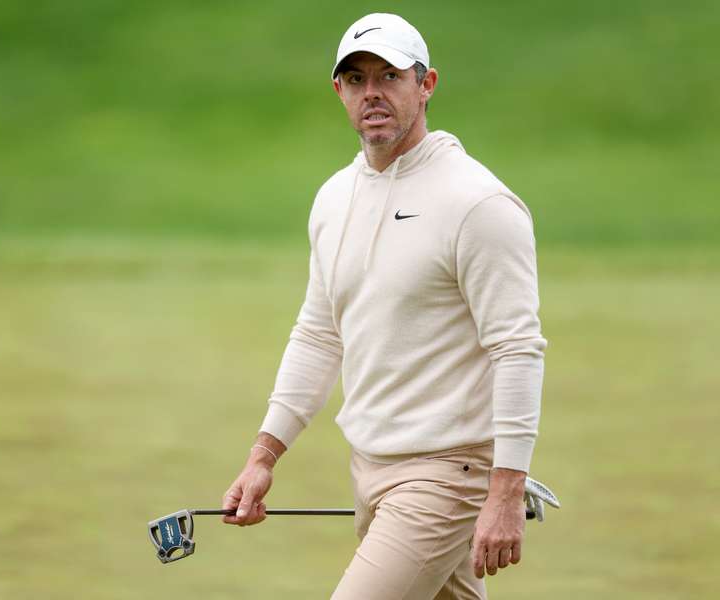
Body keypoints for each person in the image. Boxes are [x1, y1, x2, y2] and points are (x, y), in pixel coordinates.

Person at [221, 12, 547, 600]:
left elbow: (517, 348)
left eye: (390, 76)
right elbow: (320, 333)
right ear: (339, 91)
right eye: (355, 79)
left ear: (426, 85)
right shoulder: (334, 198)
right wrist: (264, 454)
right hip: (369, 466)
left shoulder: (477, 203)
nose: (371, 93)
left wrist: (505, 489)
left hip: (450, 474)